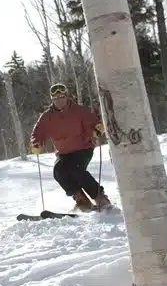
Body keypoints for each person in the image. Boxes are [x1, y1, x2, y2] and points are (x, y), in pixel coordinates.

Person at [30, 82, 112, 212]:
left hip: (83, 148)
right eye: (56, 98)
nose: (59, 100)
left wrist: (96, 128)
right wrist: (36, 142)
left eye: (62, 97)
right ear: (52, 100)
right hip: (63, 152)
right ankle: (81, 199)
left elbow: (92, 122)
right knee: (59, 171)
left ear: (67, 97)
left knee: (76, 169)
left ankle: (100, 197)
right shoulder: (47, 117)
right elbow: (38, 131)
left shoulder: (79, 111)